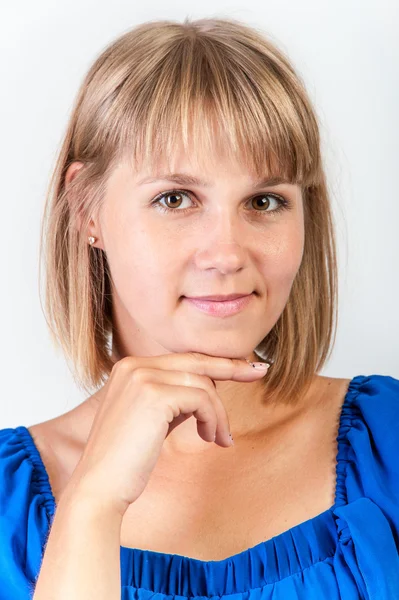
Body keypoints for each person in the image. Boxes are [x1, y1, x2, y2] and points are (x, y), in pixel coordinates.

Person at [0, 15, 398, 600]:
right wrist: (93, 504)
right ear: (86, 211)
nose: (228, 253)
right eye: (176, 198)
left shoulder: (389, 442)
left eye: (265, 200)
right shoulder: (9, 506)